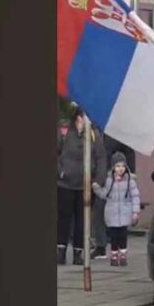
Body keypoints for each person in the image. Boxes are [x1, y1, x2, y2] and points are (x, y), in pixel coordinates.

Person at [57, 111, 106, 266]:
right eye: (82, 117)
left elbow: (101, 157)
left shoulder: (93, 134)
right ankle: (61, 251)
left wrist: (98, 180)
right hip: (65, 183)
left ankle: (78, 253)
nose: (85, 120)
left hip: (85, 185)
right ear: (77, 117)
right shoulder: (64, 131)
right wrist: (60, 172)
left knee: (82, 220)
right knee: (63, 218)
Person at [94, 153, 142, 267]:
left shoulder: (130, 181)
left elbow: (135, 196)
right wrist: (97, 189)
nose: (120, 169)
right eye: (117, 166)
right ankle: (114, 254)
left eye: (122, 166)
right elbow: (105, 194)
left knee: (123, 235)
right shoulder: (109, 180)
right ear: (113, 168)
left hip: (125, 212)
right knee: (113, 236)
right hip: (112, 212)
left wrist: (135, 212)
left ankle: (123, 254)